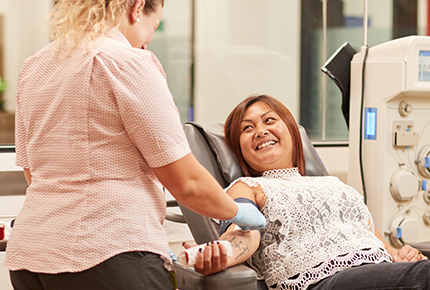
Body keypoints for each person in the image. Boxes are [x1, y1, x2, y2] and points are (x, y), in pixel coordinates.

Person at [4, 1, 265, 290]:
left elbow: (33, 174)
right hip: (107, 254)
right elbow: (187, 181)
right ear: (137, 7)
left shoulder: (36, 65)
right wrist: (236, 212)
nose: (146, 42)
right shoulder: (127, 61)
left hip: (31, 258)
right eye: (152, 28)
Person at [183, 94, 430, 289]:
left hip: (378, 273)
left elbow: (382, 247)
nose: (260, 131)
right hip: (323, 282)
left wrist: (402, 255)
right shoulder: (249, 187)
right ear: (240, 150)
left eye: (269, 121)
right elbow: (244, 232)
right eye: (247, 128)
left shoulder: (335, 185)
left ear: (292, 131)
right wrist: (220, 254)